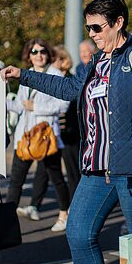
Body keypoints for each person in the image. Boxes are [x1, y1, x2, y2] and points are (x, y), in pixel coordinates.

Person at [1, 0, 132, 264]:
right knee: (78, 234)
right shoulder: (96, 61)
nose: (91, 35)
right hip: (95, 169)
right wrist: (22, 75)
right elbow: (69, 89)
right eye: (88, 28)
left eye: (96, 27)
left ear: (118, 23)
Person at [6, 39, 70, 232]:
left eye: (42, 51)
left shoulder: (55, 74)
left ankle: (64, 214)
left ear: (48, 54)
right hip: (24, 138)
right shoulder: (27, 75)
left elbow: (64, 104)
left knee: (56, 178)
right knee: (16, 181)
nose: (38, 55)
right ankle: (8, 224)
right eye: (34, 51)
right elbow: (18, 106)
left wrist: (37, 108)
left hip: (45, 137)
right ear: (29, 55)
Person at [52, 44, 81, 202]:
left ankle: (75, 204)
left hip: (70, 134)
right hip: (55, 133)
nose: (52, 62)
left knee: (73, 172)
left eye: (55, 59)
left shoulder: (71, 80)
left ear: (64, 60)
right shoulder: (54, 80)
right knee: (49, 172)